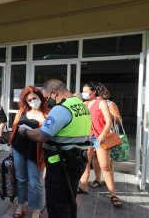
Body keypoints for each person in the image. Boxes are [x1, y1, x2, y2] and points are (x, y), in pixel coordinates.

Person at [17, 79, 91, 218]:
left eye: (46, 97)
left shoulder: (61, 109)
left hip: (61, 164)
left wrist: (25, 132)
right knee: (69, 199)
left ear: (53, 93)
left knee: (57, 204)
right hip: (77, 159)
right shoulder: (80, 105)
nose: (45, 101)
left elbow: (42, 136)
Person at [78, 82, 122, 207]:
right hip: (88, 137)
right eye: (83, 91)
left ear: (94, 92)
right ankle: (83, 186)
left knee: (105, 167)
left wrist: (103, 134)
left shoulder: (101, 103)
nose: (84, 93)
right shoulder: (85, 104)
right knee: (85, 162)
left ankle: (113, 195)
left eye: (86, 91)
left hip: (100, 137)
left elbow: (108, 121)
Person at [9, 86, 48, 218]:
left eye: (34, 98)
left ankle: (37, 208)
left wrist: (42, 119)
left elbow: (50, 131)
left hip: (35, 151)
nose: (32, 101)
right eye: (29, 99)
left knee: (35, 182)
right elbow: (14, 128)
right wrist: (11, 146)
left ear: (40, 98)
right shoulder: (22, 111)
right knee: (21, 179)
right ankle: (21, 205)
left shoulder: (47, 112)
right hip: (19, 148)